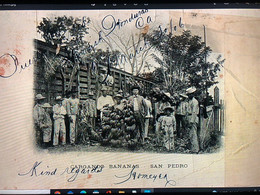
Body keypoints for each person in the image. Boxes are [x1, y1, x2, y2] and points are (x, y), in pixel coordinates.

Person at [186, 87, 200, 153]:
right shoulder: (190, 101)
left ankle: (195, 149)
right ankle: (192, 148)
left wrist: (191, 121)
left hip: (193, 119)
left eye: (190, 94)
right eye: (188, 95)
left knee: (194, 134)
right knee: (191, 134)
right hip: (190, 117)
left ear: (193, 94)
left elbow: (194, 112)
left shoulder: (195, 102)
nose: (189, 96)